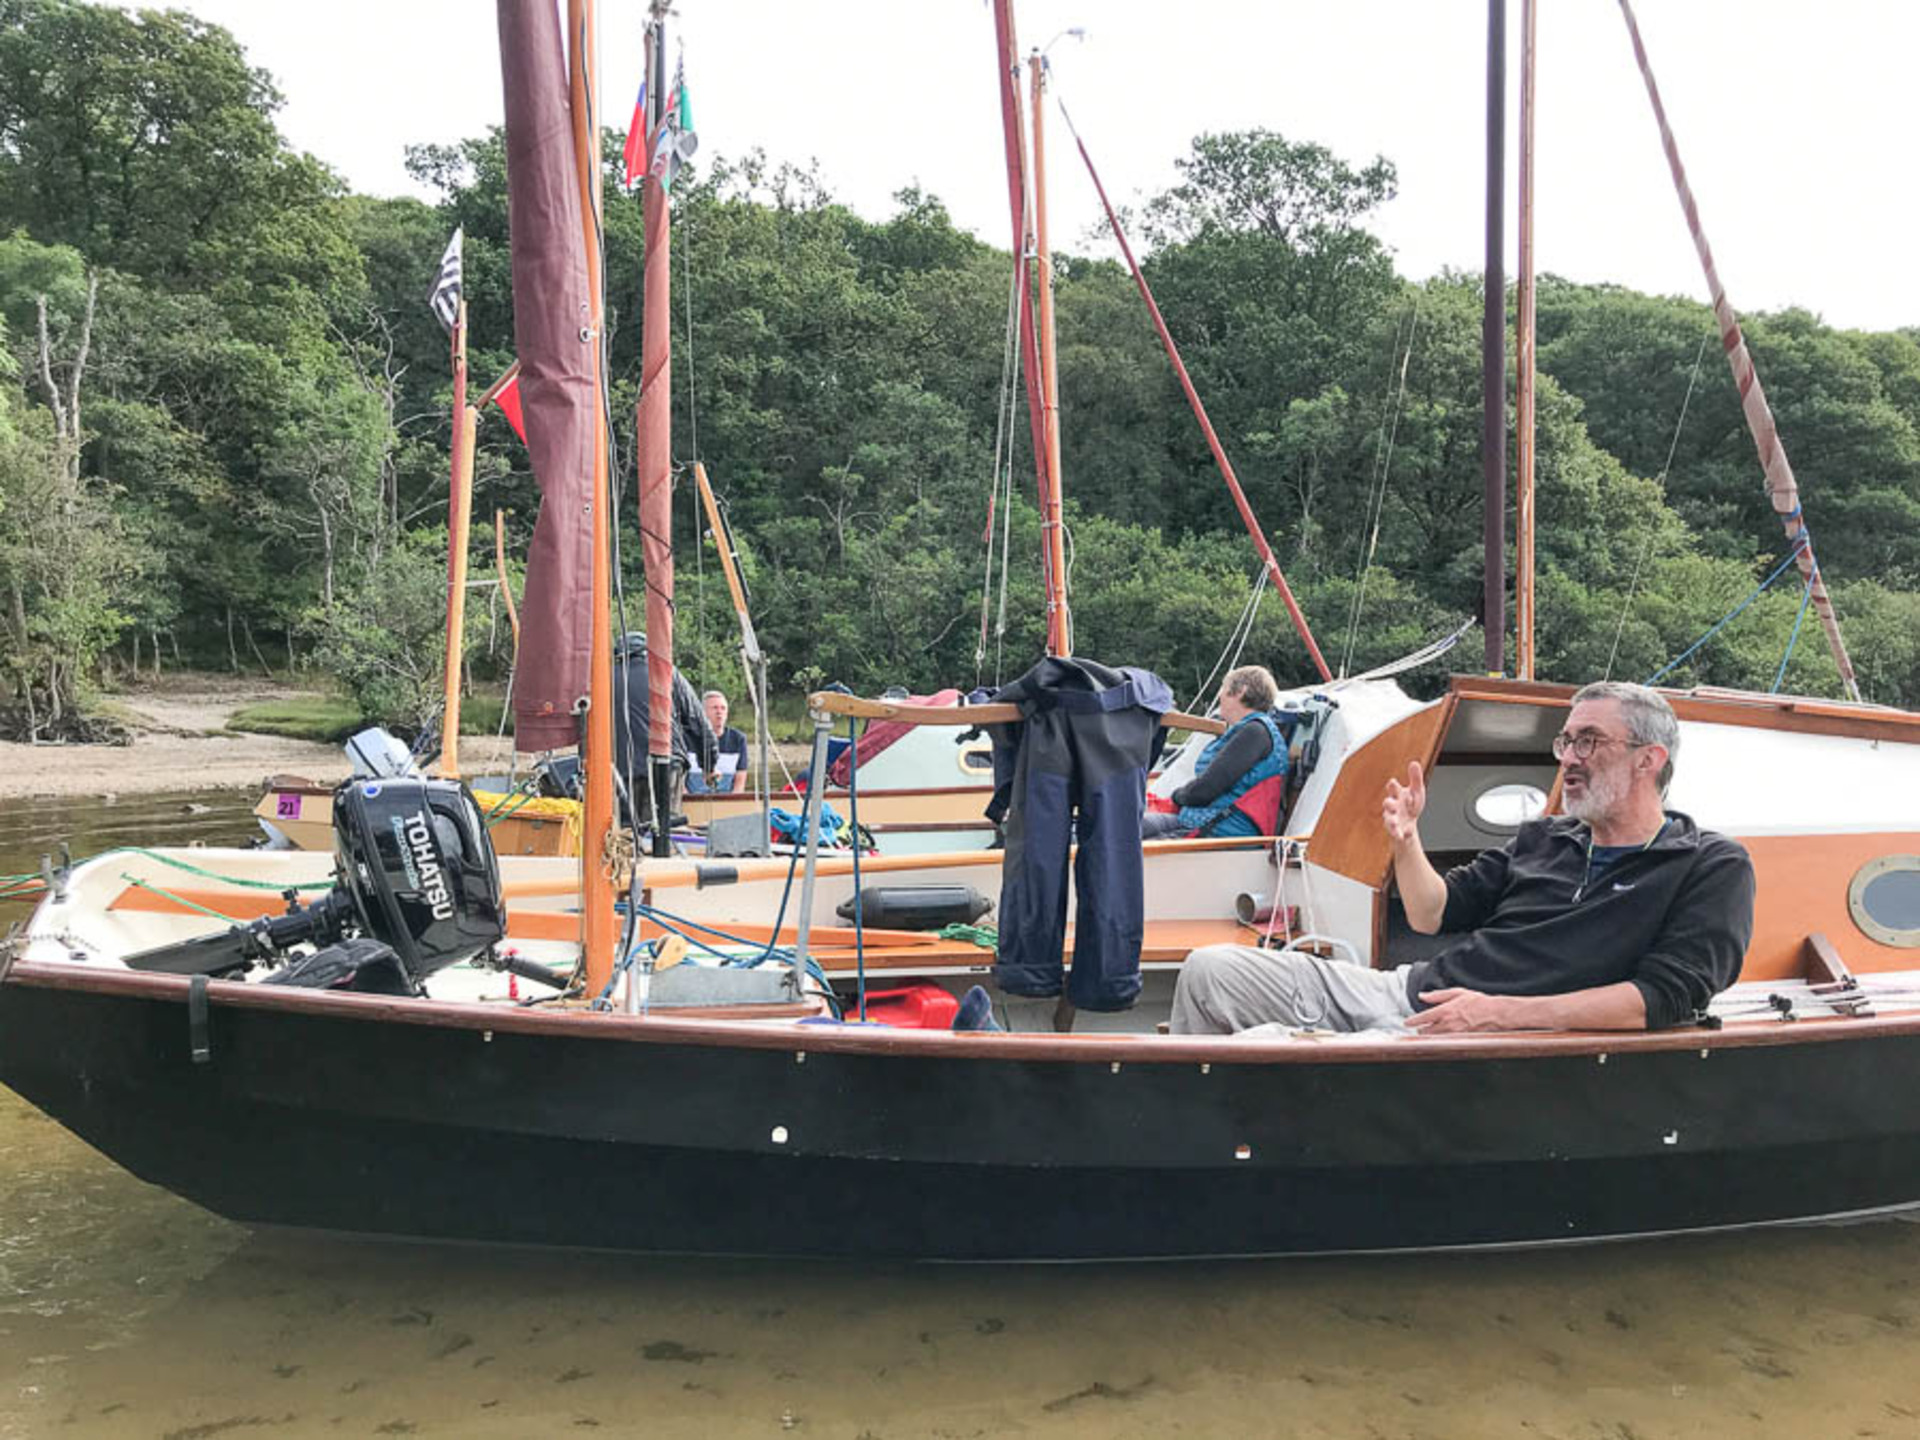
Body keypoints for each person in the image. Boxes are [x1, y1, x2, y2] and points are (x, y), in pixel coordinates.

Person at [1168, 680, 1756, 1036]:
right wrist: (1406, 840)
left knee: (1267, 1047)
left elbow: (1662, 999)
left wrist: (1498, 1014)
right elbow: (1432, 915)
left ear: (1649, 759)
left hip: (1484, 1034)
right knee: (1210, 971)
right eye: (1566, 741)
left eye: (1589, 741)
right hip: (1410, 990)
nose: (1569, 758)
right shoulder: (1546, 838)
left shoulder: (1707, 865)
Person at [1141, 664, 1291, 840]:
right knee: (1126, 827)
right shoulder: (1252, 730)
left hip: (1223, 830)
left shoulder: (1255, 733)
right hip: (1201, 820)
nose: (1220, 695)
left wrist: (1175, 797)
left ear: (1241, 691)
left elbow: (1206, 789)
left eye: (1223, 688)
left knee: (1127, 844)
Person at [687, 689, 750, 794]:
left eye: (723, 708)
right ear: (702, 712)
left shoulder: (739, 739)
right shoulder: (687, 738)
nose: (719, 712)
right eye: (714, 708)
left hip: (727, 799)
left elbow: (739, 784)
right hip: (692, 798)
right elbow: (680, 783)